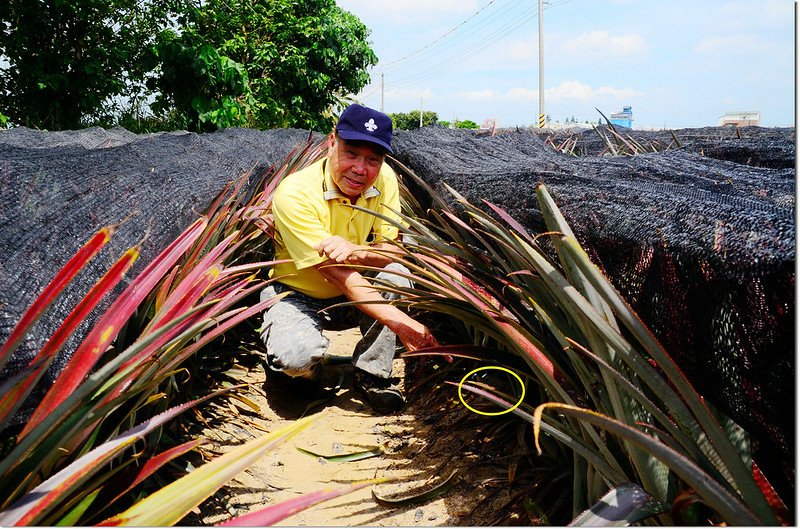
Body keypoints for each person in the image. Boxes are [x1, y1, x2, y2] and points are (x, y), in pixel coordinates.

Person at [259, 103, 439, 414]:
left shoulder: (385, 180)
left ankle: (371, 374)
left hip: (352, 296)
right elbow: (343, 276)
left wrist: (357, 251)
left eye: (373, 159)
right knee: (296, 358)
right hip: (297, 293)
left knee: (396, 272)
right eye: (351, 153)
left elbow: (395, 251)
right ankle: (313, 373)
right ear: (331, 143)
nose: (360, 168)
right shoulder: (295, 194)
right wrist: (406, 326)